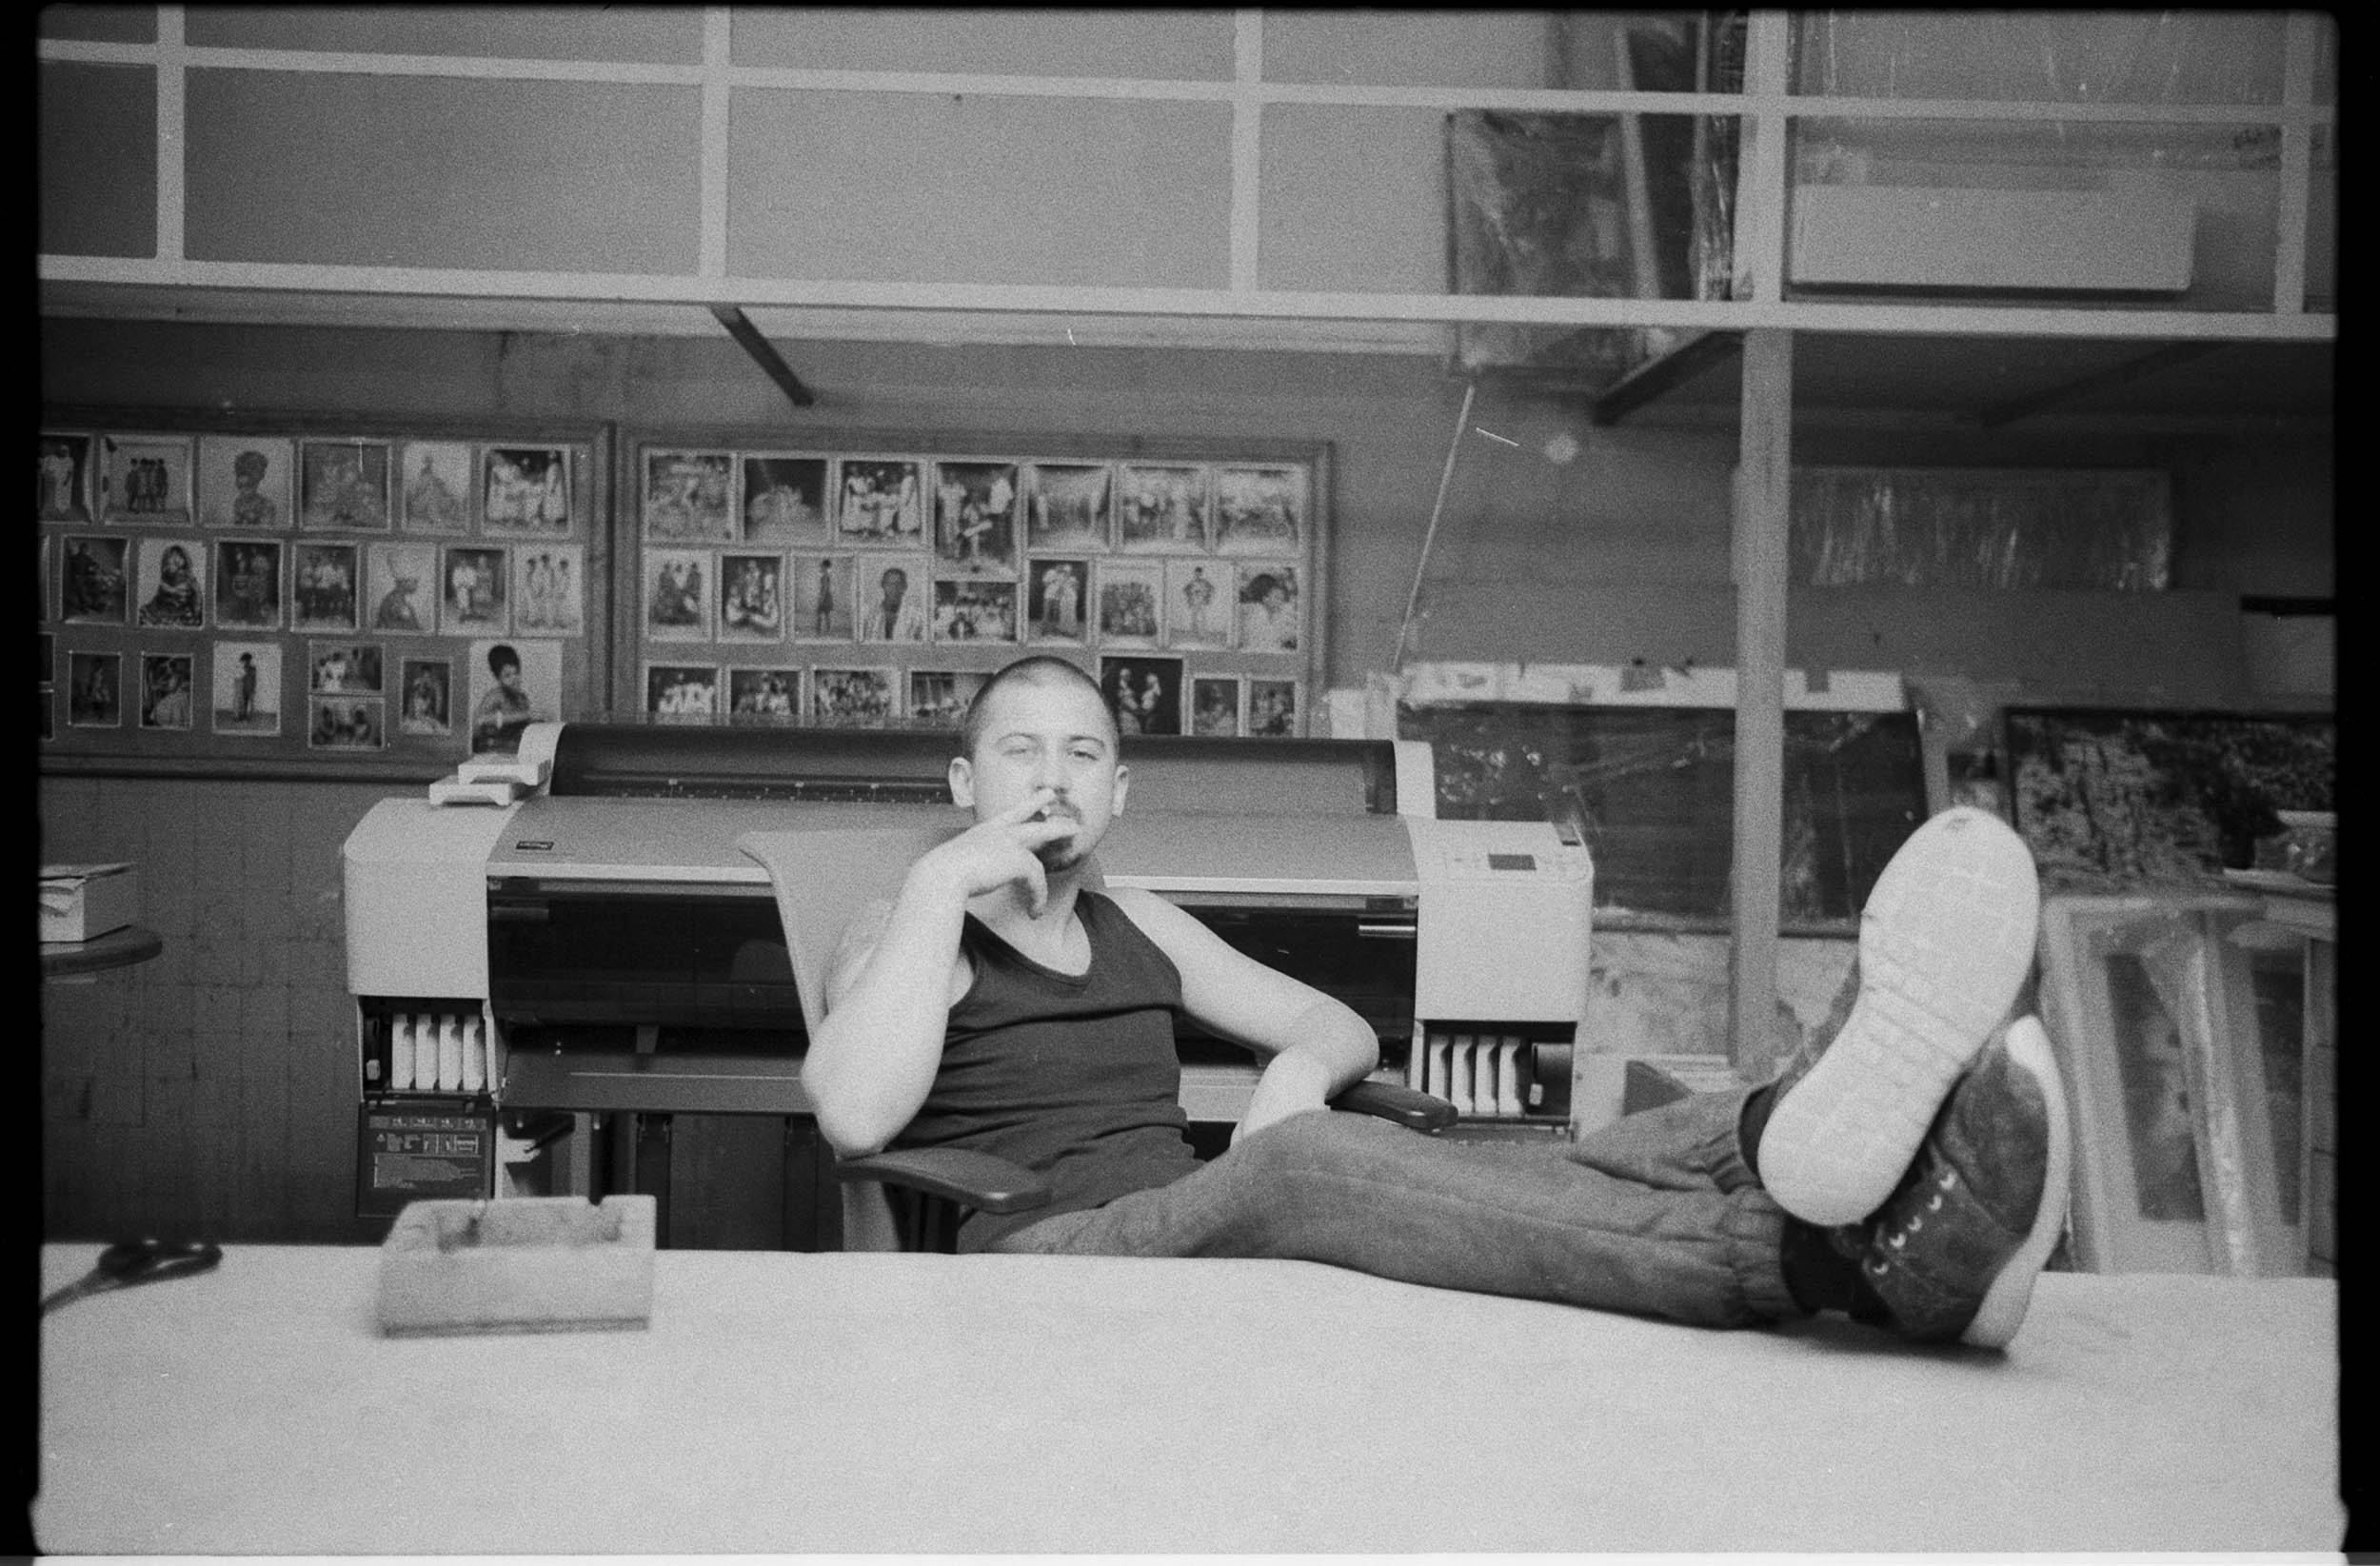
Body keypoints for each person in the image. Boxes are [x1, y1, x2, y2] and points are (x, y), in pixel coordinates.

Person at [800, 656, 2071, 1349]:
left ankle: (1809, 1154)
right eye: (1019, 751)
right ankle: (1815, 1257)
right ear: (963, 781)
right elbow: (854, 1116)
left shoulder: (1138, 923)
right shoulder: (907, 924)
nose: (1052, 779)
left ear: (1119, 792)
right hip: (1053, 1268)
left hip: (1180, 1229)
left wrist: (1295, 1075)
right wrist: (942, 881)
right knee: (1310, 1169)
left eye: (1083, 754)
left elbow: (1336, 1025)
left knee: (1538, 1162)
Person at [471, 643, 536, 753]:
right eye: (507, 675)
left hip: (514, 750)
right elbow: (480, 720)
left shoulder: (521, 698)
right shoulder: (495, 696)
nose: (514, 678)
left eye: (516, 673)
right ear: (498, 678)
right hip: (493, 751)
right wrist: (522, 716)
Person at [138, 545, 203, 627]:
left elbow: (197, 597)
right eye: (171, 557)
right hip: (162, 610)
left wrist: (196, 612)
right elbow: (159, 597)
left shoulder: (189, 578)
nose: (175, 559)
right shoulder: (166, 576)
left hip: (182, 613)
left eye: (178, 556)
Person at [863, 565, 927, 644]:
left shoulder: (916, 616)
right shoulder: (868, 613)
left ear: (905, 587)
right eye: (889, 584)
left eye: (898, 584)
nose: (894, 588)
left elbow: (923, 644)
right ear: (882, 585)